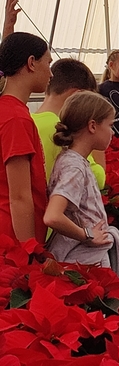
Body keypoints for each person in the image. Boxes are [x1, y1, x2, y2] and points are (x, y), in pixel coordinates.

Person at [44, 91, 116, 268]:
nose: (112, 132)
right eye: (110, 125)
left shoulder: (73, 160)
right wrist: (87, 235)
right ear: (92, 126)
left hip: (82, 259)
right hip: (84, 264)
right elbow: (52, 216)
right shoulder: (74, 167)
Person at [0, 33, 52, 242]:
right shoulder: (16, 119)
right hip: (12, 239)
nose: (51, 73)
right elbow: (19, 196)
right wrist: (29, 251)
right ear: (31, 63)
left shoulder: (8, 111)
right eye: (48, 63)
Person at [33, 59, 105, 186]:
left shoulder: (28, 121)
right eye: (90, 100)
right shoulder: (64, 129)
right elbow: (96, 180)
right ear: (77, 96)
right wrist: (96, 145)